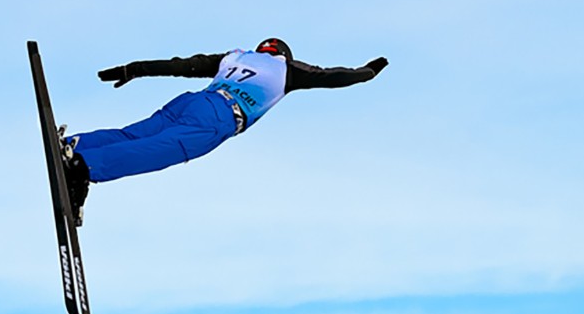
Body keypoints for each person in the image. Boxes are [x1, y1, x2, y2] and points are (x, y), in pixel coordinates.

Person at [62, 38, 388, 225]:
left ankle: (77, 145)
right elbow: (333, 76)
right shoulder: (288, 69)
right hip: (220, 116)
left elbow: (182, 65)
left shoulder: (235, 57)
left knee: (135, 135)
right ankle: (85, 167)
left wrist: (134, 69)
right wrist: (367, 72)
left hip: (194, 101)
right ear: (284, 55)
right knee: (162, 150)